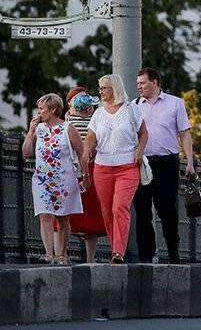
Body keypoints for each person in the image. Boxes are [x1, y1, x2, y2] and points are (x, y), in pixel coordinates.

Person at [83, 74, 147, 264]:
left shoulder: (131, 109)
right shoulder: (98, 113)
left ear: (115, 88)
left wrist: (139, 151)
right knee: (106, 210)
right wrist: (87, 150)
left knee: (119, 207)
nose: (101, 91)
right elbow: (91, 137)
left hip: (127, 167)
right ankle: (115, 249)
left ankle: (118, 252)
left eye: (104, 88)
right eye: (100, 88)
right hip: (102, 167)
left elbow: (144, 133)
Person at [135, 68, 194, 264]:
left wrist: (189, 162)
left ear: (155, 83)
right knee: (142, 210)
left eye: (143, 83)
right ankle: (146, 256)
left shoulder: (175, 103)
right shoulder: (134, 106)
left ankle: (173, 253)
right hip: (143, 163)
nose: (139, 87)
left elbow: (185, 134)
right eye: (138, 83)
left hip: (167, 163)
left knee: (167, 209)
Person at [22, 93, 88, 265]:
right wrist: (30, 132)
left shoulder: (68, 128)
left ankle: (62, 254)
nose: (39, 113)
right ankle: (48, 254)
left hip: (64, 179)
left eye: (41, 109)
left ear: (53, 110)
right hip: (42, 179)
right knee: (44, 215)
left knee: (62, 218)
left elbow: (81, 152)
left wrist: (85, 175)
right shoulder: (39, 129)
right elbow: (26, 153)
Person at [63, 87, 105, 263]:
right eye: (79, 98)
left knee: (91, 214)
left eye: (86, 97)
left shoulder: (96, 119)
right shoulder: (65, 122)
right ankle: (62, 254)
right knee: (65, 215)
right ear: (70, 103)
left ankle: (90, 258)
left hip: (91, 169)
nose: (83, 101)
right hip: (70, 171)